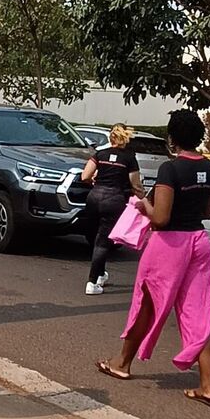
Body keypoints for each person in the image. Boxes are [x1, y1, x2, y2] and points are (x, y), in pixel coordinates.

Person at [96, 110, 210, 406]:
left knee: (148, 305)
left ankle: (122, 363)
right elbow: (208, 212)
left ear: (172, 138)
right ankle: (208, 385)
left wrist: (142, 207)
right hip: (199, 242)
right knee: (201, 312)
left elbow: (161, 218)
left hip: (169, 245)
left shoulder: (171, 169)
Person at [81, 123, 144, 294]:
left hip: (94, 198)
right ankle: (92, 282)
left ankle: (100, 274)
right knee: (103, 242)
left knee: (96, 237)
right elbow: (136, 184)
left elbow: (85, 175)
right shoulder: (129, 158)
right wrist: (144, 198)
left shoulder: (100, 154)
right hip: (113, 200)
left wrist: (94, 181)